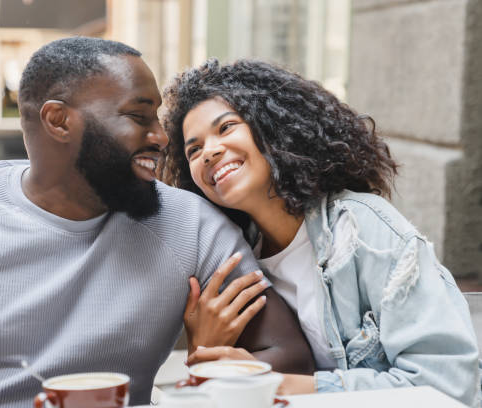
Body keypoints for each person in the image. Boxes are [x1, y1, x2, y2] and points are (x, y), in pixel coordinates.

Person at [0, 38, 314, 408]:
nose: (161, 137)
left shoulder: (191, 226)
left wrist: (206, 363)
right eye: (138, 117)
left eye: (158, 119)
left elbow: (290, 356)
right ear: (59, 121)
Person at [160, 58, 482, 406]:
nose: (209, 152)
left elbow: (445, 384)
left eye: (226, 128)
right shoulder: (235, 260)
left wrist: (276, 385)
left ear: (273, 126)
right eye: (194, 149)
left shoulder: (362, 231)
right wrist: (203, 346)